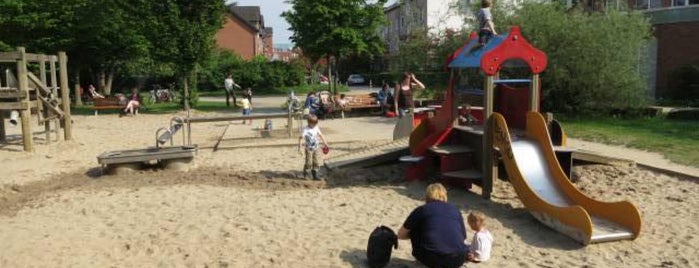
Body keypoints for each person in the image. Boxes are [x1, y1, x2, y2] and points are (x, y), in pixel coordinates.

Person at [397, 183, 467, 268]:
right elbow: (463, 236)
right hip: (458, 258)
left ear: (427, 196)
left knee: (415, 228)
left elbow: (400, 235)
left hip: (432, 258)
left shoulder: (422, 210)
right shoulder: (455, 210)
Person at [297, 114, 328, 181]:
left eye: (315, 124)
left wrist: (325, 142)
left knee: (316, 161)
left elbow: (320, 135)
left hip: (316, 148)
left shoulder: (316, 128)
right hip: (308, 148)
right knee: (308, 162)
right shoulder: (305, 129)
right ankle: (307, 174)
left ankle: (315, 174)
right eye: (312, 124)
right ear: (309, 122)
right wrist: (300, 147)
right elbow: (301, 138)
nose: (314, 125)